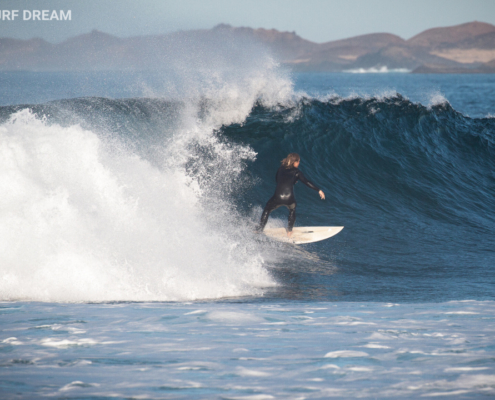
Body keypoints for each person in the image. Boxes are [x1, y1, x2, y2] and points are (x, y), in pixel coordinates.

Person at [257, 153, 325, 238]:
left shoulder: (280, 169)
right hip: (290, 198)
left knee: (267, 209)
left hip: (278, 197)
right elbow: (306, 182)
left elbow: (277, 180)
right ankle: (289, 232)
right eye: (299, 161)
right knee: (292, 210)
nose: (299, 163)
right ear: (295, 162)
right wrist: (318, 190)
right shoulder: (297, 172)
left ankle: (259, 229)